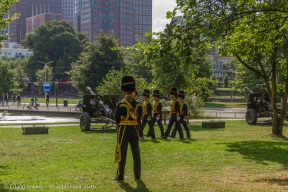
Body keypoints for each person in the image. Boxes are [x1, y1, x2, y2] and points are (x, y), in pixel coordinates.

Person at [112, 75, 142, 181]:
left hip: (123, 129)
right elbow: (139, 119)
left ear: (124, 91)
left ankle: (120, 176)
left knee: (122, 153)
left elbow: (116, 119)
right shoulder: (138, 104)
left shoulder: (121, 104)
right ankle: (137, 176)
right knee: (136, 153)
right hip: (134, 129)